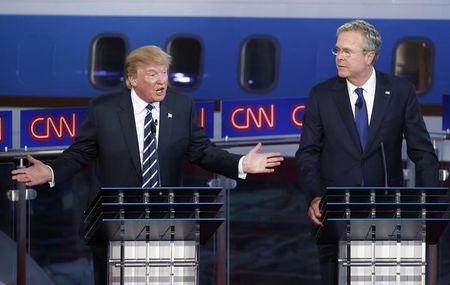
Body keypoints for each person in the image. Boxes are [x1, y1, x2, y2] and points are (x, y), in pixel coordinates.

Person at [11, 45, 284, 284]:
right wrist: (49, 170)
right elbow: (80, 153)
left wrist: (241, 164)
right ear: (132, 79)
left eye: (164, 73)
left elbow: (202, 152)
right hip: (113, 226)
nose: (161, 81)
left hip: (166, 227)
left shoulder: (181, 106)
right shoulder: (104, 110)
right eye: (153, 74)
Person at [295, 20, 439, 284]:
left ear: (369, 56)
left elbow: (422, 150)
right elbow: (307, 153)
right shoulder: (321, 95)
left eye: (347, 51)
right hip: (334, 214)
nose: (339, 57)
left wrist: (430, 201)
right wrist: (315, 197)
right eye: (337, 50)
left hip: (385, 212)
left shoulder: (399, 91)